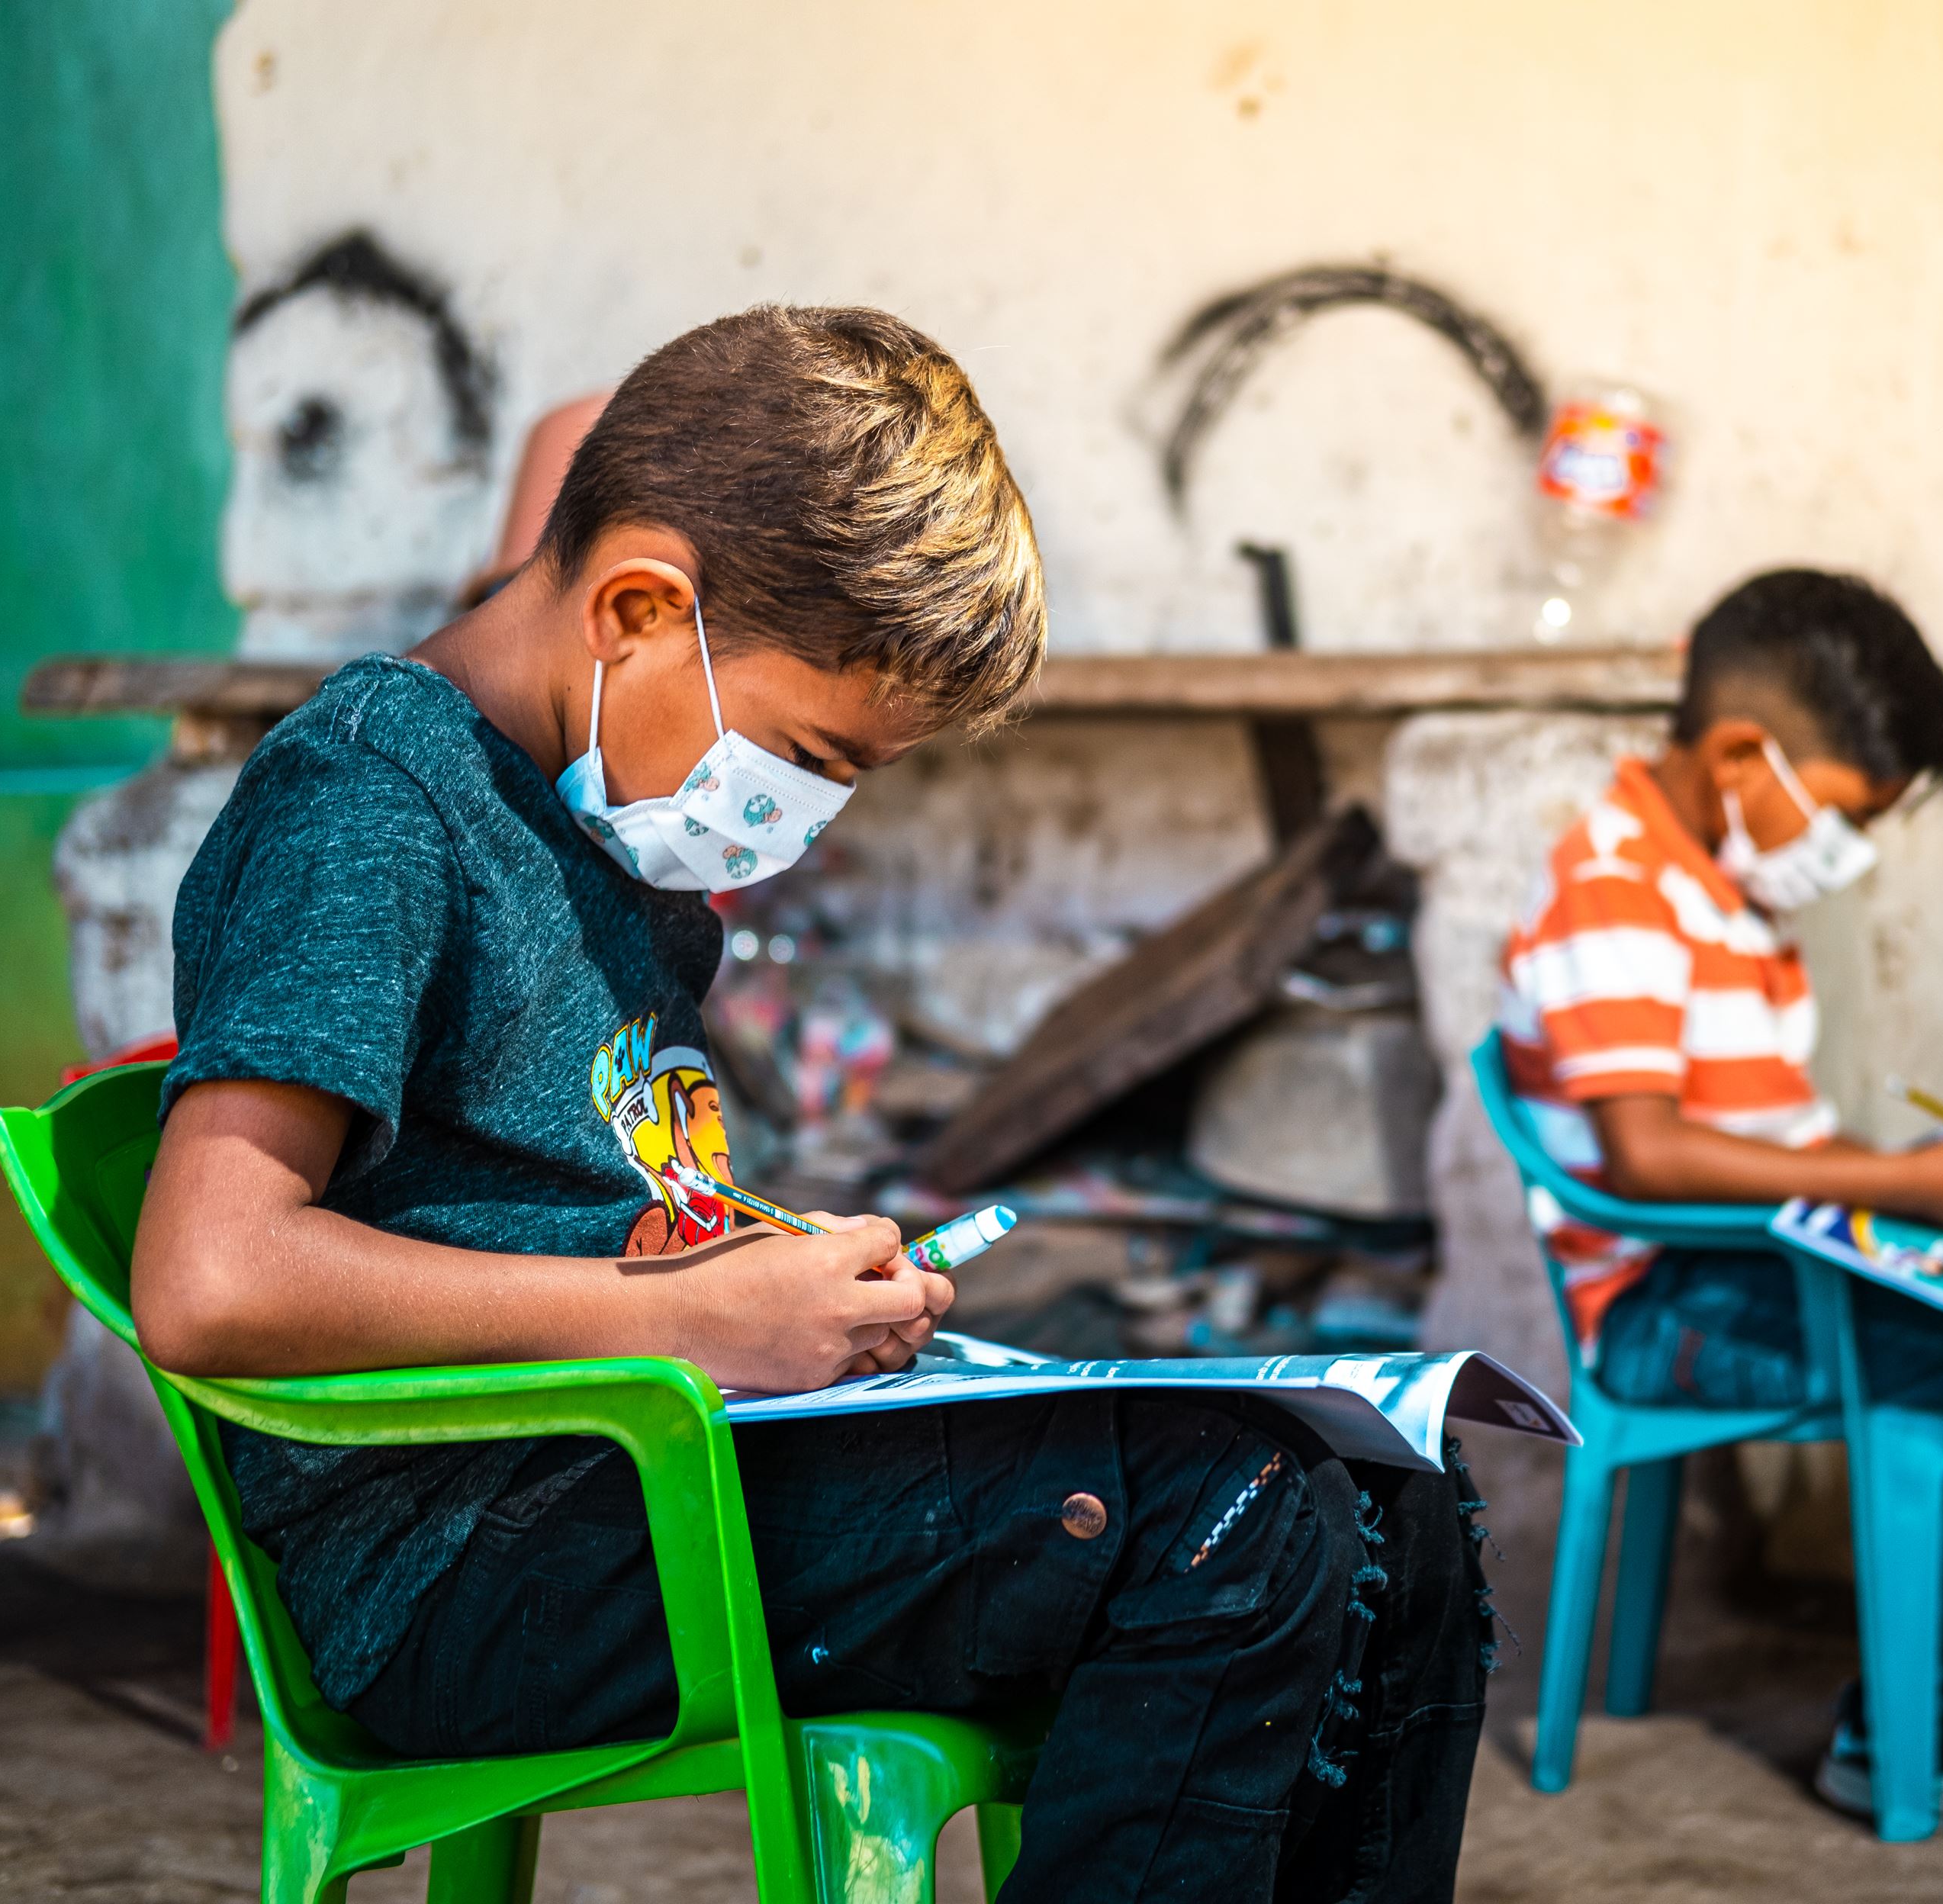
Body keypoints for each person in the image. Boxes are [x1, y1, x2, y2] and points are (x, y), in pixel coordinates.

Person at [130, 305, 1491, 1903]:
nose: (804, 819)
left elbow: (542, 1190)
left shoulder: (610, 827)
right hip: (459, 1564)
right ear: (641, 605)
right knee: (1230, 1515)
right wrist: (686, 1321)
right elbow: (211, 1280)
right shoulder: (368, 809)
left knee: (1402, 1504)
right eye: (803, 755)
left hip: (639, 1477)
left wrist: (751, 1278)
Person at [1496, 568, 1943, 1854]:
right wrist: (1918, 1189)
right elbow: (1649, 1156)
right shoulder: (1614, 884)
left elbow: (1776, 1145)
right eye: (1848, 813)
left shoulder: (1728, 896)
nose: (1855, 851)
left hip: (1775, 1264)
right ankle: (1934, 1728)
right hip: (1677, 1303)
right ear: (1740, 754)